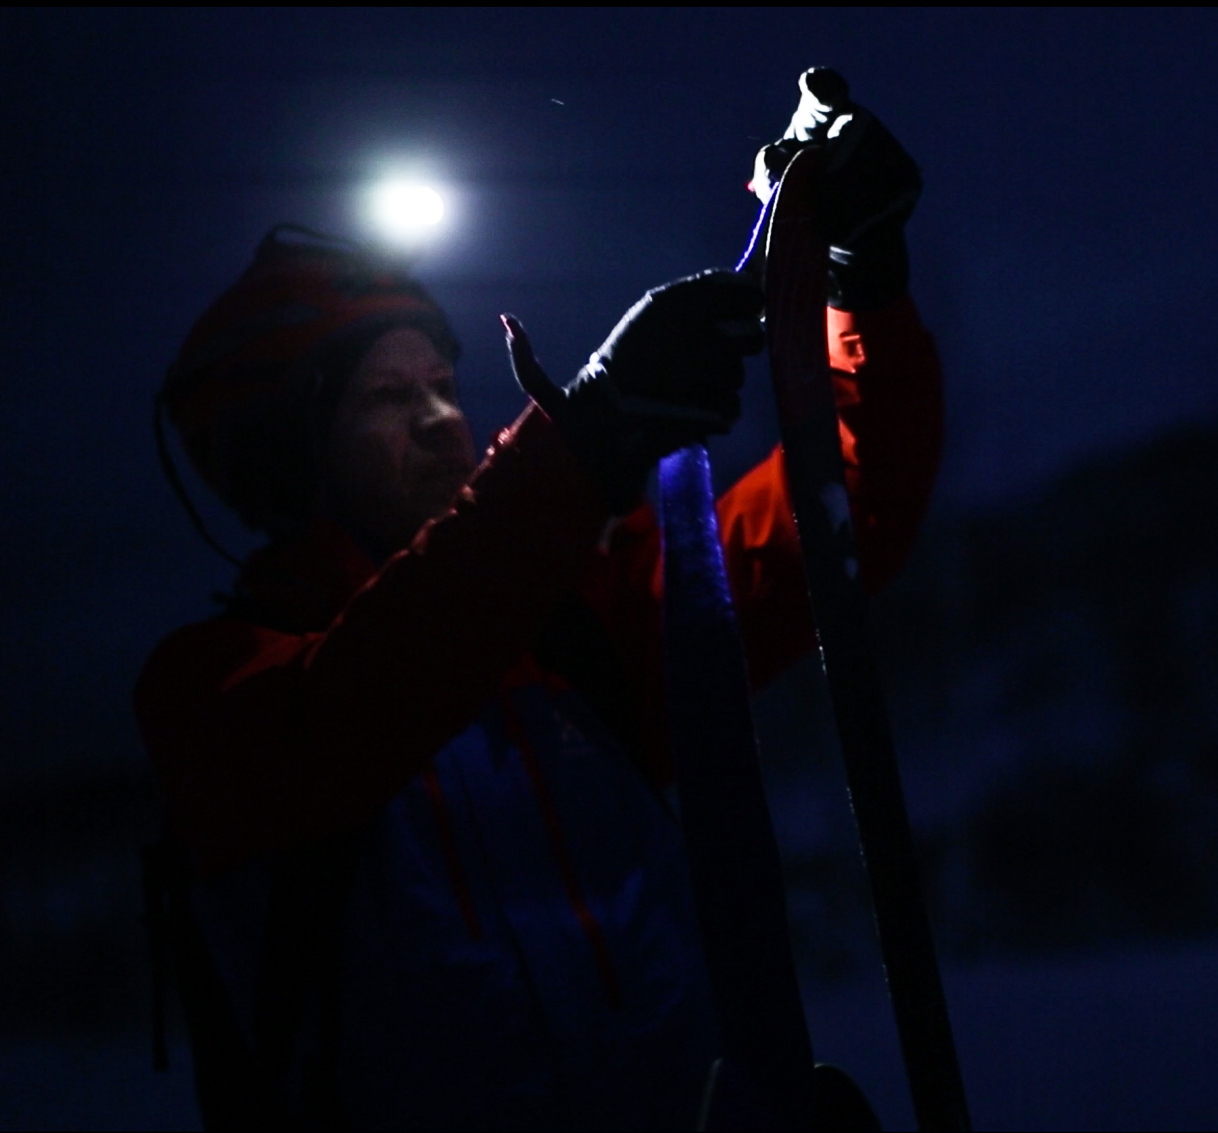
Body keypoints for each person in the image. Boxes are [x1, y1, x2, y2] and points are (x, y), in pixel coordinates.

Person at [136, 69, 940, 1129]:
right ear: (290, 455)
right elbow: (355, 705)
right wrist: (583, 446)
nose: (438, 420)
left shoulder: (578, 624)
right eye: (387, 395)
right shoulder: (213, 688)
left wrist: (855, 281)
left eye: (441, 384)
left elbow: (839, 513)